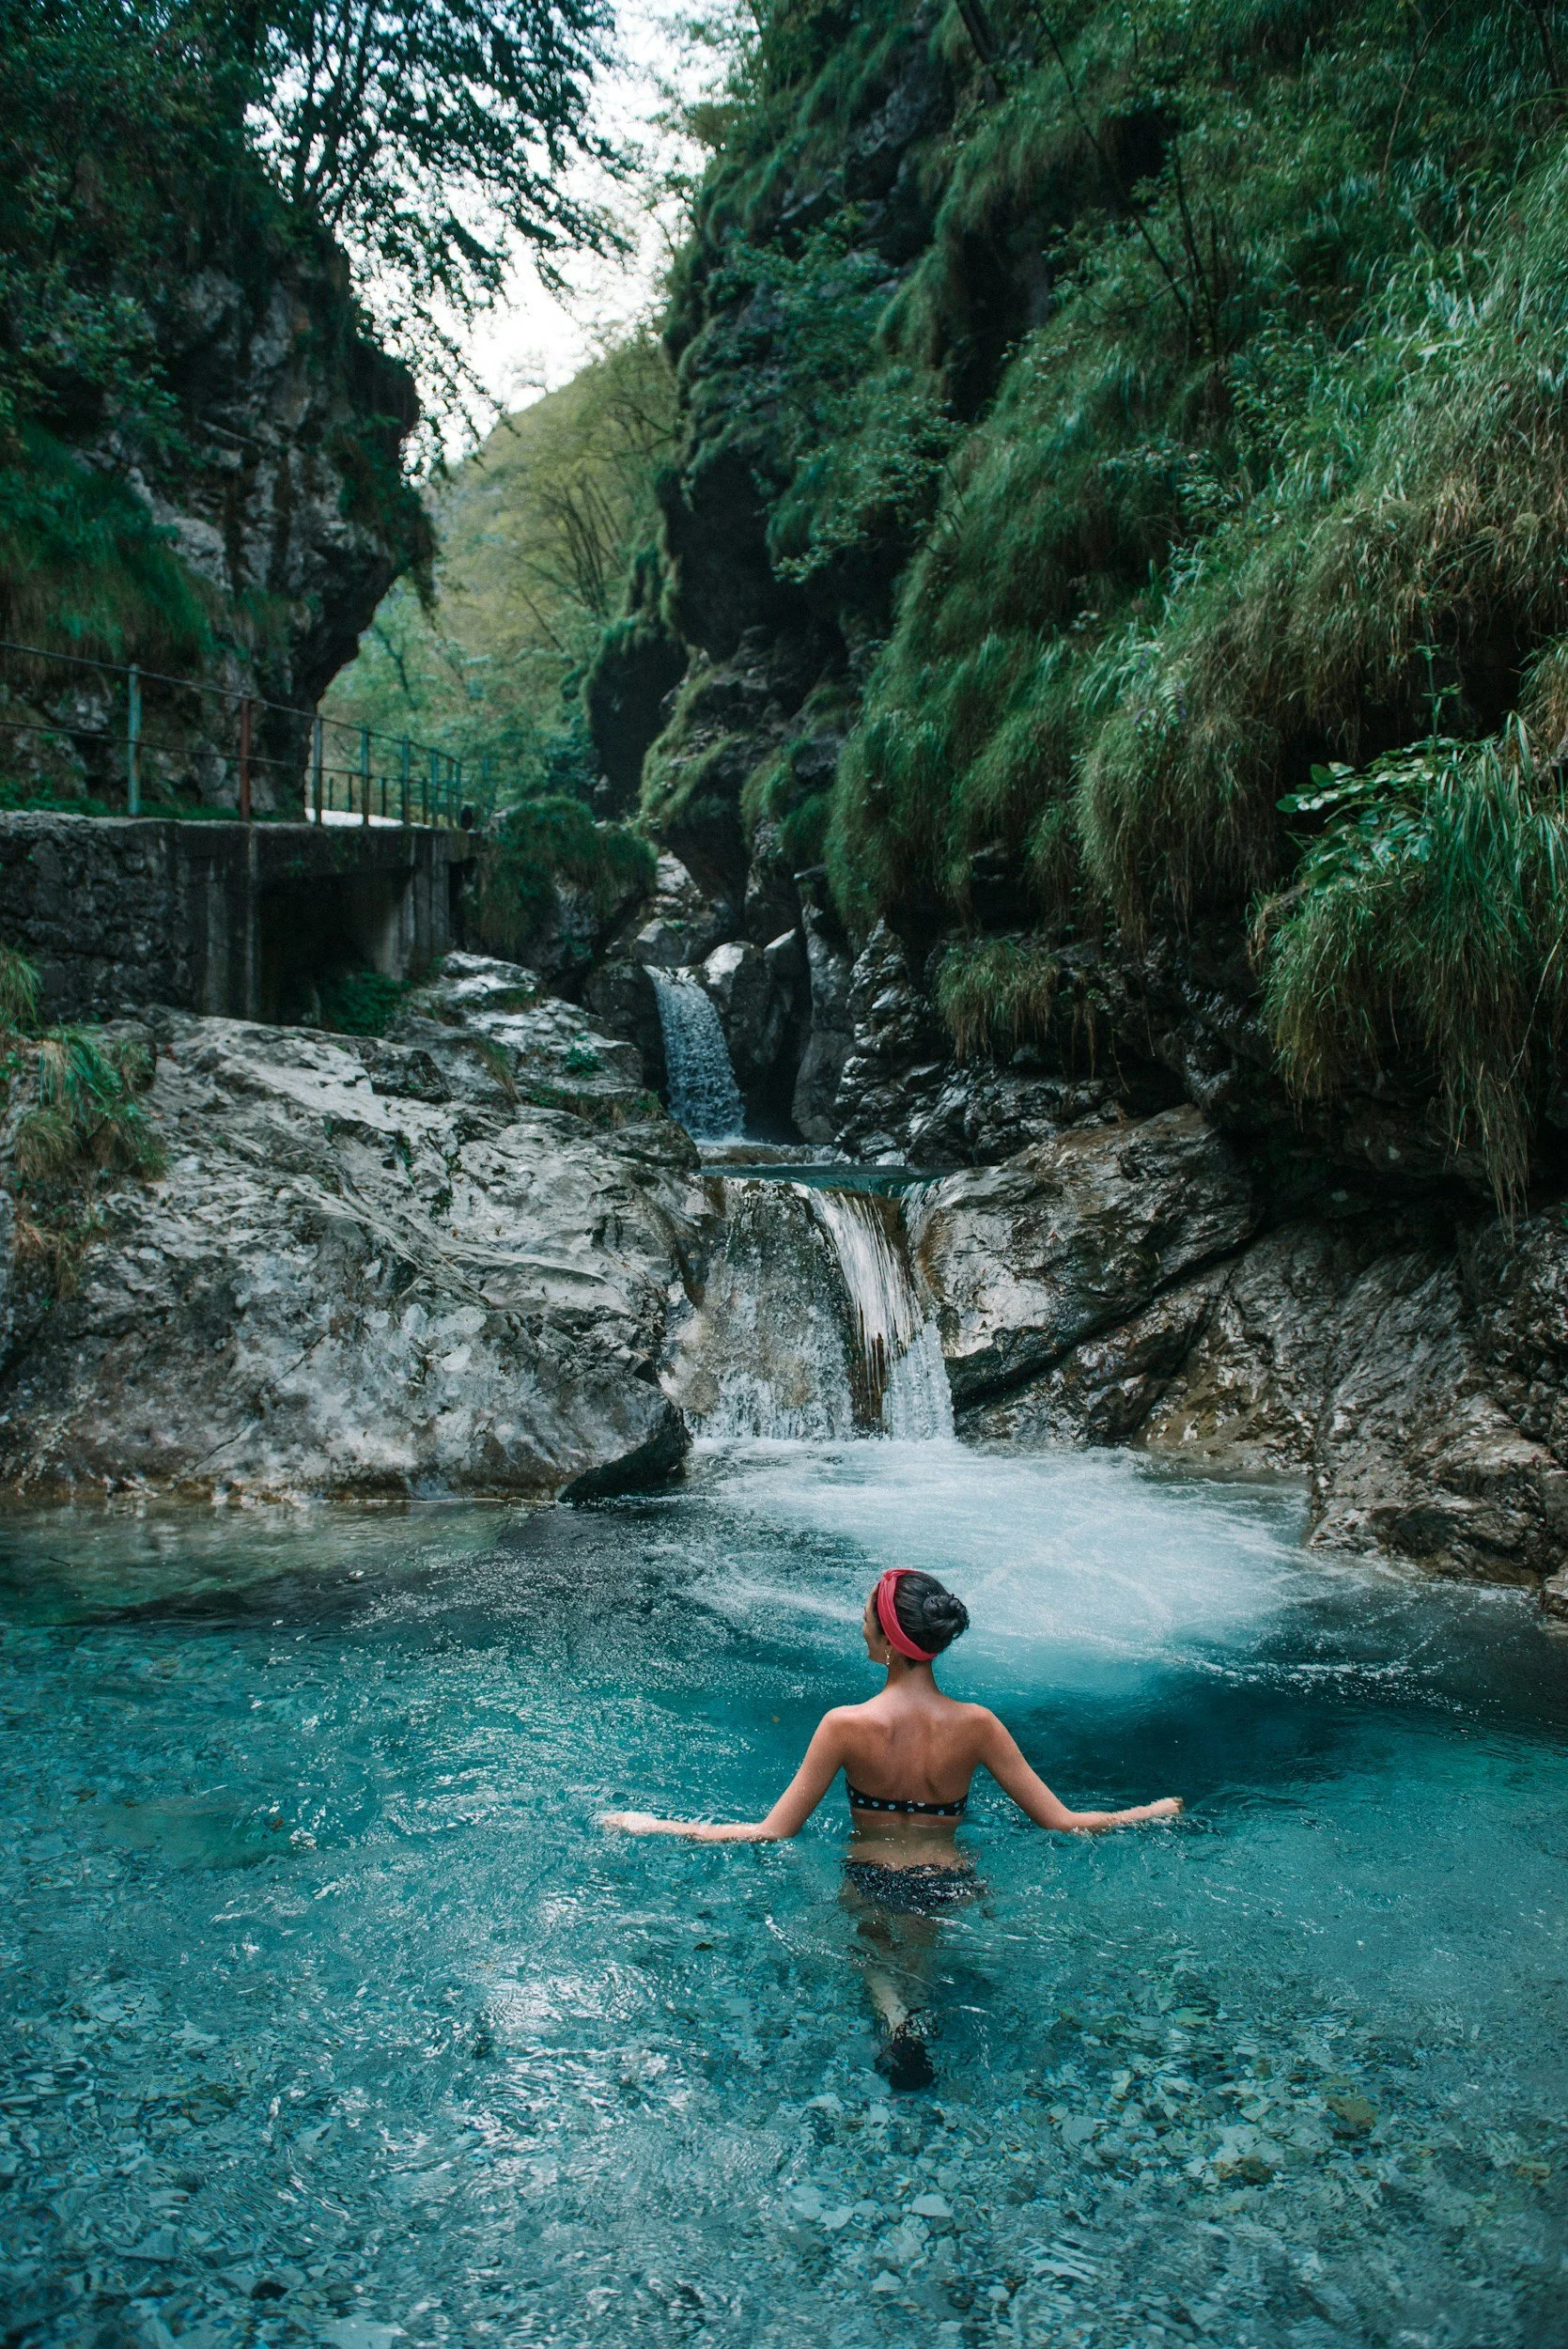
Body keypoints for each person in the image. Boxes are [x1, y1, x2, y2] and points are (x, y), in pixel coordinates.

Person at [601, 1566, 1182, 2089]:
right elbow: (1064, 1822)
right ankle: (915, 2011)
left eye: (864, 1621)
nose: (860, 1630)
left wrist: (656, 1824)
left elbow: (773, 1832)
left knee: (873, 1959)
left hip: (873, 1873)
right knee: (922, 1958)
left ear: (887, 1642)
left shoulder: (844, 1726)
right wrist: (1149, 1812)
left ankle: (894, 2015)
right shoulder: (978, 1725)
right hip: (949, 1879)